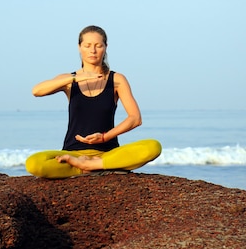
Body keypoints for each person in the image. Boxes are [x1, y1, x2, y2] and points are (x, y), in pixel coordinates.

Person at [25, 25, 162, 179]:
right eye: (87, 46)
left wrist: (105, 137)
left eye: (98, 45)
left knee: (153, 146)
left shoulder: (117, 79)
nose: (93, 50)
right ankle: (83, 166)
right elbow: (36, 91)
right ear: (79, 47)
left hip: (107, 153)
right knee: (34, 163)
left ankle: (91, 166)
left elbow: (135, 118)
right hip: (72, 153)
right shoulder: (69, 80)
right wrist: (76, 78)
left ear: (105, 47)